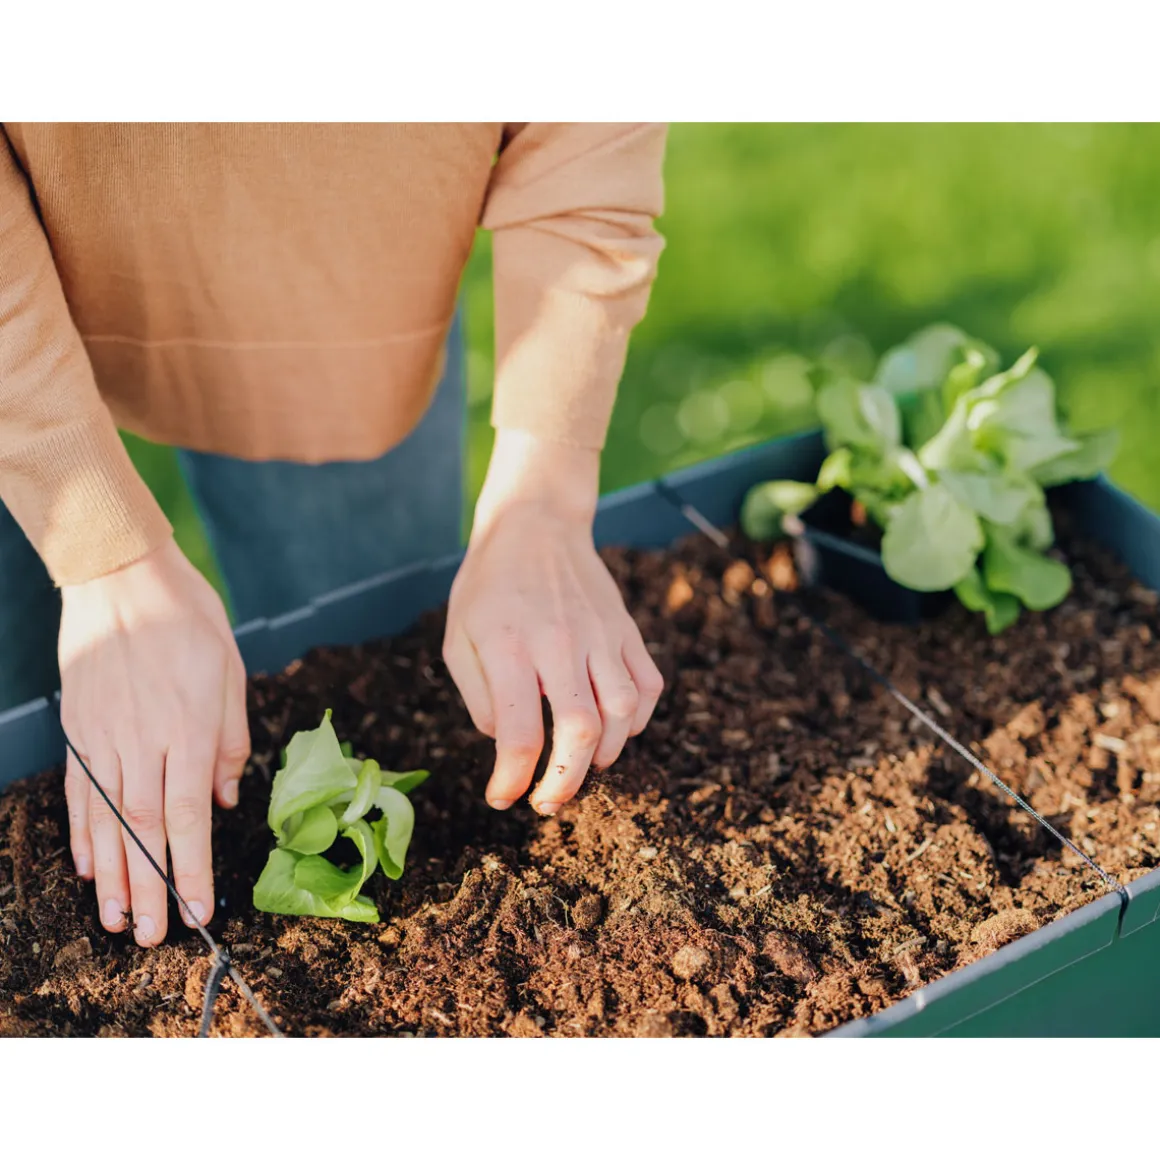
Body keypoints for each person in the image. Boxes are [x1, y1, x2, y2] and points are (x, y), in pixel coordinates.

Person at [0, 123, 668, 947]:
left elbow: (587, 136)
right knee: (22, 717)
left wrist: (543, 500)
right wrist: (105, 558)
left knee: (376, 662)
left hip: (344, 328)